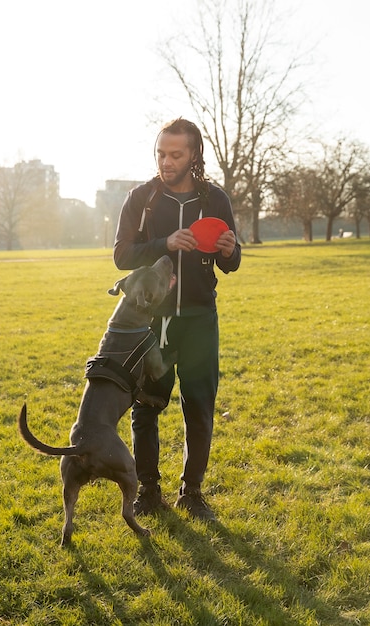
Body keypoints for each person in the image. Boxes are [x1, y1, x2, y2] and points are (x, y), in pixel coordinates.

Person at [113, 118, 241, 521]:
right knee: (147, 405)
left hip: (201, 318)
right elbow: (121, 255)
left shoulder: (215, 199)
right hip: (154, 322)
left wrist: (228, 249)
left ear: (194, 155)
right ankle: (148, 491)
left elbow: (232, 263)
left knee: (200, 405)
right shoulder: (142, 198)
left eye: (175, 155)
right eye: (161, 154)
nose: (166, 162)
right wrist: (163, 244)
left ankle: (193, 491)